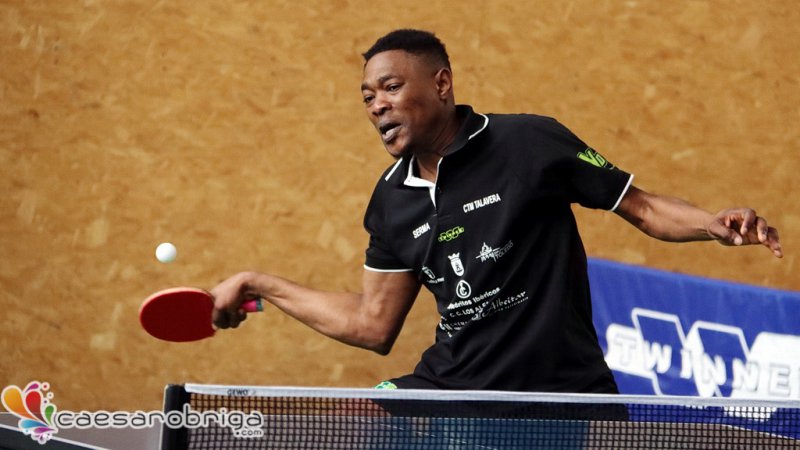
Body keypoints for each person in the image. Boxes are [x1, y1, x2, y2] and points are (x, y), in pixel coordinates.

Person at [211, 29, 782, 394]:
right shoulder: (391, 200)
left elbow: (643, 207)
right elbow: (372, 323)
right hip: (453, 390)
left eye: (390, 87)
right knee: (356, 422)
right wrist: (262, 284)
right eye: (367, 97)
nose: (377, 105)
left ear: (441, 84)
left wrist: (709, 223)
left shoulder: (529, 143)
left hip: (558, 391)